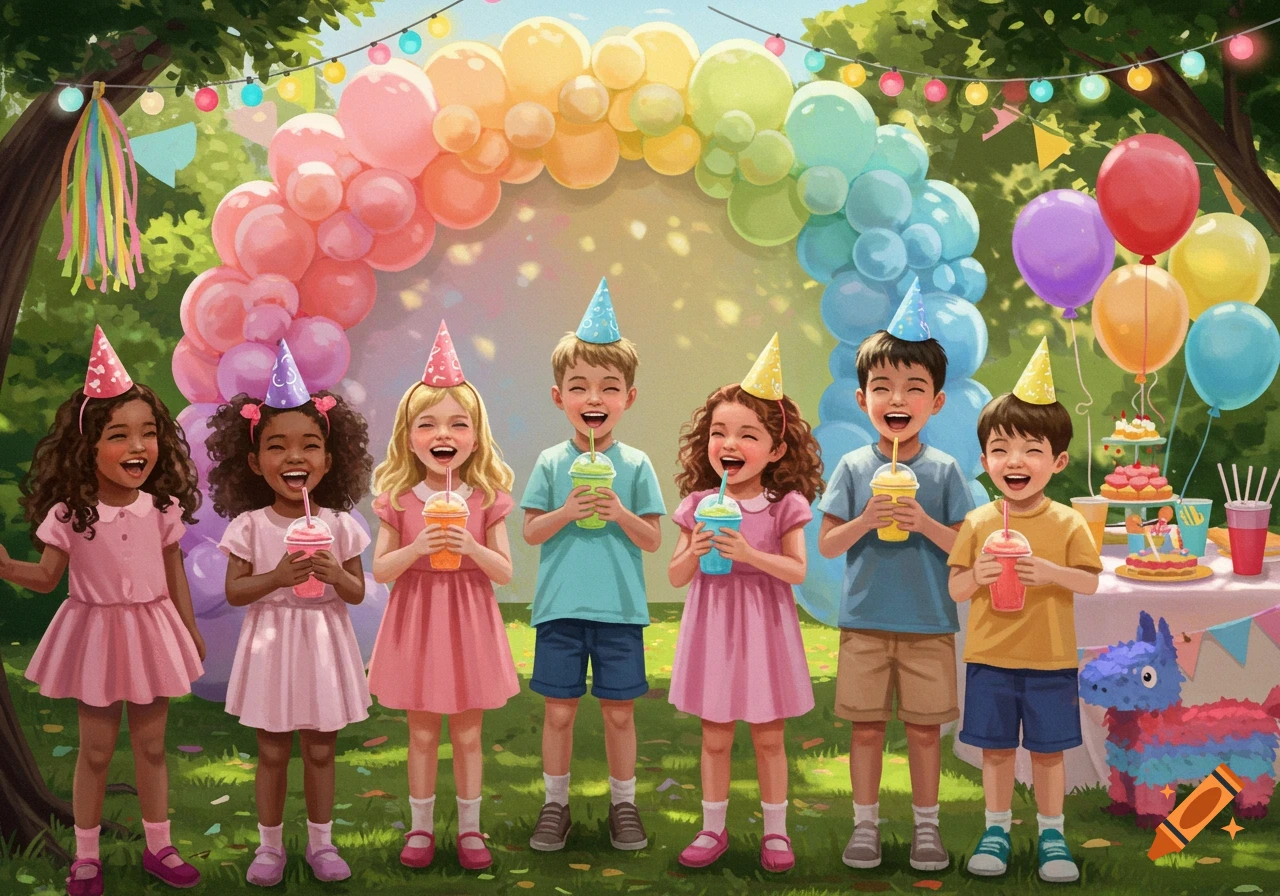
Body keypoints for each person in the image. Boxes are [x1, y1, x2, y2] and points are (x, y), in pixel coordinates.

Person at [0, 327, 205, 895]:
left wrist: (188, 632)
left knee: (152, 745)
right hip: (93, 631)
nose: (138, 447)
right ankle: (85, 856)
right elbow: (46, 579)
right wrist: (5, 567)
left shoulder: (161, 508)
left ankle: (159, 846)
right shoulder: (70, 512)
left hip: (152, 628)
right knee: (94, 749)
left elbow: (174, 573)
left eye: (148, 433)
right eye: (119, 435)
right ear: (87, 446)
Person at [817, 286, 974, 871]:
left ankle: (926, 830)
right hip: (864, 622)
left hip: (929, 622)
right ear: (863, 400)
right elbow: (829, 544)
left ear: (935, 402)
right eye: (883, 388)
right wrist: (865, 519)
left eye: (913, 388)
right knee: (864, 730)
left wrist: (924, 523)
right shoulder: (855, 467)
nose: (897, 398)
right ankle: (865, 826)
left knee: (925, 732)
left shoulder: (944, 470)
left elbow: (963, 547)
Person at [206, 341, 373, 886]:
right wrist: (278, 576)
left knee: (321, 749)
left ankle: (323, 845)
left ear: (329, 458)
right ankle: (270, 847)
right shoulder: (251, 526)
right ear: (255, 462)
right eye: (277, 447)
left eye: (309, 446)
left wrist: (335, 575)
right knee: (272, 751)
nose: (294, 457)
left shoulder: (341, 524)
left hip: (323, 641)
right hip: (271, 642)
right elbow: (235, 592)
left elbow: (354, 592)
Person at [948, 338, 1102, 884]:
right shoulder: (978, 522)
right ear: (986, 460)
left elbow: (1088, 582)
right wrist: (978, 576)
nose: (1015, 461)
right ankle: (995, 828)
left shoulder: (1067, 524)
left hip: (1050, 659)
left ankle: (1053, 835)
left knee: (1047, 752)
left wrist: (1051, 573)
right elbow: (956, 590)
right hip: (990, 656)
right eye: (1001, 449)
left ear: (1057, 461)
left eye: (1031, 449)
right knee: (994, 750)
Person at [367, 322, 520, 871]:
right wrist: (417, 548)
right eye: (427, 423)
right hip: (418, 623)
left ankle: (472, 830)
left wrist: (471, 547)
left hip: (469, 624)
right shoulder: (399, 500)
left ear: (475, 436)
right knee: (423, 733)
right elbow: (382, 569)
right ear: (409, 437)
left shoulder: (487, 498)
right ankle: (421, 827)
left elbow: (503, 572)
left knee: (471, 732)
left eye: (458, 423)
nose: (443, 433)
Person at [668, 336, 824, 873]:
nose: (728, 443)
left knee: (769, 736)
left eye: (746, 434)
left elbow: (797, 570)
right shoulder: (697, 505)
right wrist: (698, 548)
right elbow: (675, 574)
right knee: (714, 737)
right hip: (713, 628)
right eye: (719, 432)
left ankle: (776, 833)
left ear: (777, 450)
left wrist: (749, 554)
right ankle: (712, 827)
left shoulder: (785, 506)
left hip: (765, 631)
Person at [521, 278, 665, 852]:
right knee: (558, 714)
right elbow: (531, 530)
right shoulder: (550, 461)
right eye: (579, 387)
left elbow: (652, 539)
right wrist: (567, 510)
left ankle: (623, 805)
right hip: (560, 608)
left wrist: (620, 512)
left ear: (629, 397)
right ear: (559, 397)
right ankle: (554, 805)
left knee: (620, 715)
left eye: (608, 387)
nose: (594, 398)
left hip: (620, 609)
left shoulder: (636, 464)